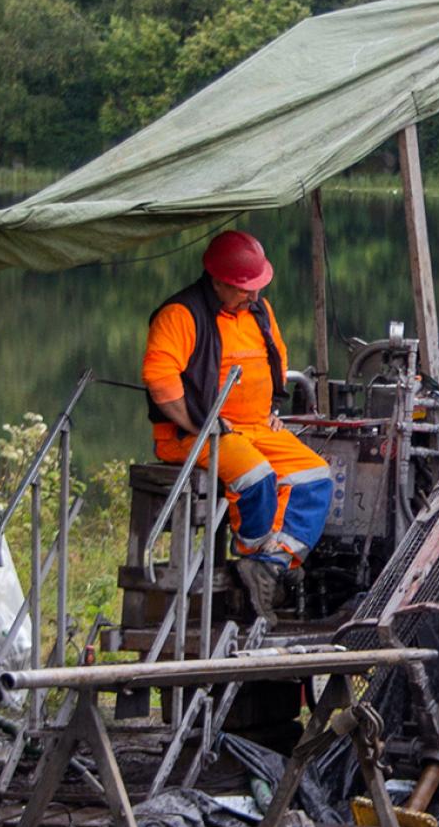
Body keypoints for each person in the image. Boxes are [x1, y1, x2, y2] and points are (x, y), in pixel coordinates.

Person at [142, 230, 333, 615]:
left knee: (315, 475)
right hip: (192, 434)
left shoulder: (258, 311)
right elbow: (162, 386)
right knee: (255, 476)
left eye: (257, 286)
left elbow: (274, 361)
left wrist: (270, 414)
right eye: (245, 288)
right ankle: (252, 553)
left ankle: (271, 565)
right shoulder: (181, 315)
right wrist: (200, 426)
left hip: (256, 427)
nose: (253, 295)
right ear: (217, 281)